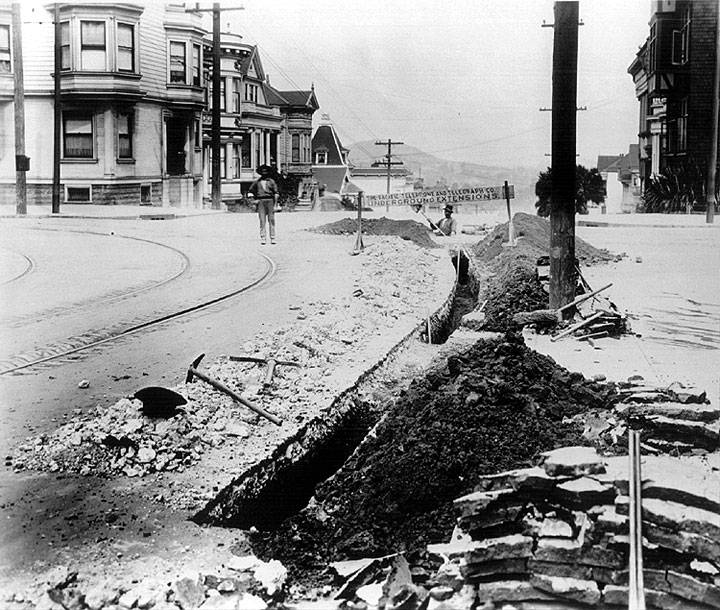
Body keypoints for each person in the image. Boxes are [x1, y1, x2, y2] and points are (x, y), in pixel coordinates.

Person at [247, 165, 279, 245]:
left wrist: (275, 204)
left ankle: (272, 237)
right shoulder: (257, 182)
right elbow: (250, 191)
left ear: (268, 173)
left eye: (266, 172)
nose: (264, 173)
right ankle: (263, 237)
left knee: (271, 220)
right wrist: (253, 201)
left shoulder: (271, 181)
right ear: (260, 173)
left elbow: (276, 193)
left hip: (270, 201)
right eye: (262, 172)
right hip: (261, 201)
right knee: (262, 220)